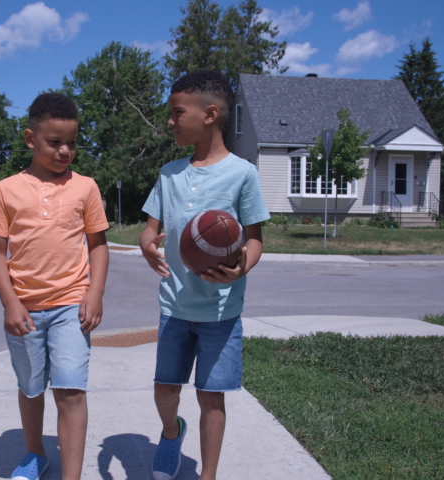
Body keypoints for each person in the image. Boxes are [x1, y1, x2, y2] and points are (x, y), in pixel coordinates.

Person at [138, 70, 269, 480]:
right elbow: (149, 228)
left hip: (221, 312)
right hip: (175, 305)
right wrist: (146, 244)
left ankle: (206, 474)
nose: (171, 121)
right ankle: (170, 431)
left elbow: (256, 240)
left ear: (210, 114)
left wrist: (240, 267)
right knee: (165, 390)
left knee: (212, 398)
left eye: (178, 113)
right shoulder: (169, 172)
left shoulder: (243, 173)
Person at [0, 92, 109, 480]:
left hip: (73, 306)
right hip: (25, 311)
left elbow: (98, 246)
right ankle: (35, 454)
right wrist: (10, 303)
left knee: (71, 391)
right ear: (29, 138)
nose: (65, 150)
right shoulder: (6, 189)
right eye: (54, 142)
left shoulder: (86, 187)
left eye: (71, 141)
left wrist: (95, 293)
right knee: (33, 388)